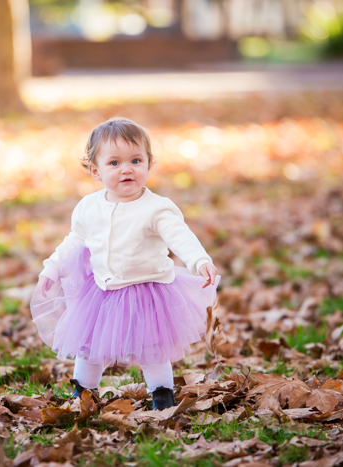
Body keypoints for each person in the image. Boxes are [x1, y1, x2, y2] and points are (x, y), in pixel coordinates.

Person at [30, 117, 219, 411]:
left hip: (148, 290)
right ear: (96, 170)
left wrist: (199, 261)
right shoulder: (88, 207)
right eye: (114, 163)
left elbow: (180, 237)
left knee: (153, 348)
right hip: (102, 293)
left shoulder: (157, 208)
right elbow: (74, 241)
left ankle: (162, 396)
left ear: (148, 163)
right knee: (89, 347)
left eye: (135, 160)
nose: (126, 169)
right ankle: (83, 393)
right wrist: (51, 268)